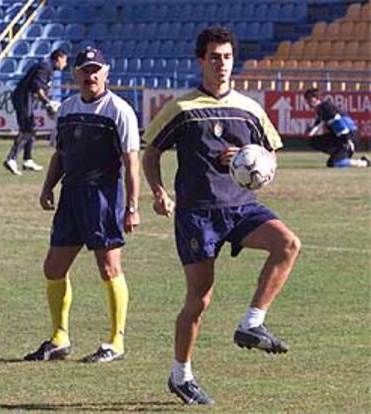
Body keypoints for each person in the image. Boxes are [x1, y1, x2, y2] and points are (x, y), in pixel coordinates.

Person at [142, 26, 301, 405]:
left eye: (227, 57)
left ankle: (252, 324)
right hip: (198, 214)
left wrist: (251, 156)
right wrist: (159, 192)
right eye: (214, 57)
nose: (222, 64)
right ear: (201, 61)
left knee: (288, 244)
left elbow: (271, 153)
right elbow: (150, 152)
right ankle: (181, 375)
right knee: (200, 300)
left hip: (241, 207)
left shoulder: (249, 108)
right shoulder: (180, 109)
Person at [24, 46, 140, 363]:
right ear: (75, 74)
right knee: (54, 267)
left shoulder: (119, 110)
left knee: (109, 267)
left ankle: (116, 342)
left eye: (96, 70)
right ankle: (60, 338)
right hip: (71, 195)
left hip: (103, 195)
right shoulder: (66, 109)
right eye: (85, 70)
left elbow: (131, 162)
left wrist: (132, 206)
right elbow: (60, 154)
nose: (91, 75)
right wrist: (48, 186)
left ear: (106, 72)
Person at [3, 48, 68, 176]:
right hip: (23, 97)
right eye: (64, 60)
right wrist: (47, 103)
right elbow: (37, 87)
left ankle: (27, 160)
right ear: (59, 58)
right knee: (27, 128)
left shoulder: (48, 68)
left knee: (32, 128)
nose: (65, 64)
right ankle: (11, 158)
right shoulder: (46, 67)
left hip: (26, 97)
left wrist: (46, 103)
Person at [304, 88, 370, 168]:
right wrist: (311, 131)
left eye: (309, 98)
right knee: (315, 144)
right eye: (306, 99)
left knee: (337, 163)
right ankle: (339, 154)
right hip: (342, 137)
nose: (308, 102)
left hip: (349, 136)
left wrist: (348, 139)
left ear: (317, 98)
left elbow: (339, 120)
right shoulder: (321, 109)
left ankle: (364, 163)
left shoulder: (325, 107)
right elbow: (319, 121)